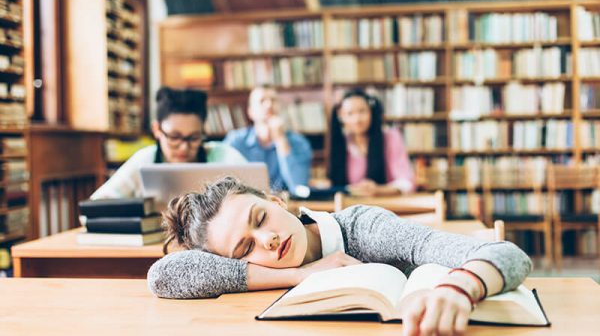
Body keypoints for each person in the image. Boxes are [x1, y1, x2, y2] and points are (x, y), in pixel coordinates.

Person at [147, 177, 532, 336]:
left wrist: (460, 288)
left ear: (277, 201)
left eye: (261, 218)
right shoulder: (271, 266)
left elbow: (506, 253)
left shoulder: (364, 227)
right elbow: (164, 276)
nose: (267, 240)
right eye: (245, 248)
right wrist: (300, 275)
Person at [91, 87, 246, 199]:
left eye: (193, 138)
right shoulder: (145, 160)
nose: (184, 147)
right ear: (157, 129)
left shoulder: (223, 156)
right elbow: (96, 205)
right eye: (174, 137)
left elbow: (260, 195)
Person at [223, 86, 312, 195]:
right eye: (262, 101)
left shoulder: (299, 143)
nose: (269, 105)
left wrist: (281, 140)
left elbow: (298, 186)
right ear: (250, 112)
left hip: (284, 206)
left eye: (273, 100)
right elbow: (222, 184)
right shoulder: (235, 142)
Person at [329, 88, 414, 196]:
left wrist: (379, 190)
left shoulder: (390, 137)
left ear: (371, 112)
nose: (357, 119)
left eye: (362, 111)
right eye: (350, 114)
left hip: (386, 205)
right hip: (349, 207)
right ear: (341, 117)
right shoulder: (342, 143)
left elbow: (406, 182)